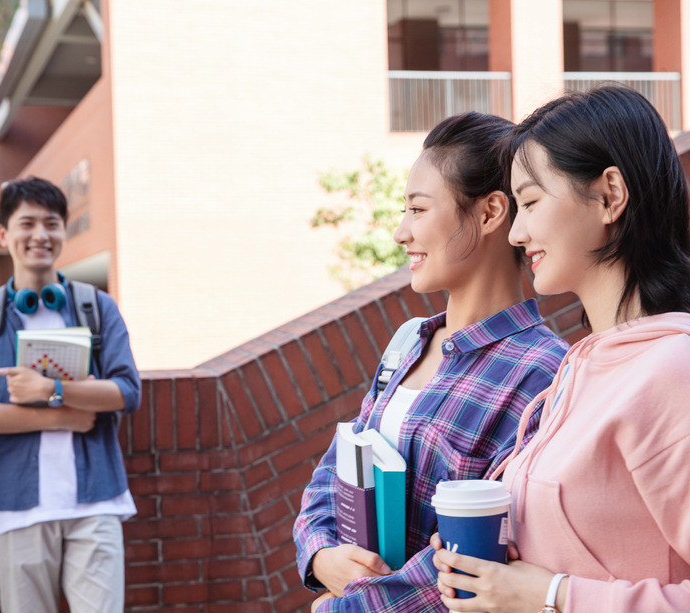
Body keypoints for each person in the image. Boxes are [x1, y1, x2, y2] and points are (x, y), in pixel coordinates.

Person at [293, 112, 569, 613]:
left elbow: (477, 555)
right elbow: (336, 467)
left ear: (489, 214)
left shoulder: (544, 373)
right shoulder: (408, 341)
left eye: (418, 210)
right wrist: (321, 555)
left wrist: (342, 608)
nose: (401, 232)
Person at [431, 86, 690, 613]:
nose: (517, 232)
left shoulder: (671, 372)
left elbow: (559, 588)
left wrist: (553, 596)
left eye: (529, 202)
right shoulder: (584, 367)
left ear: (609, 195)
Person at [0, 177, 141, 613]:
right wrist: (61, 415)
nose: (40, 235)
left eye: (51, 223)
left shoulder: (96, 306)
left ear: (63, 231)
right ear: (3, 234)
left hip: (96, 500)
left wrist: (51, 389)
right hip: (17, 506)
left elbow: (127, 391)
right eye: (27, 223)